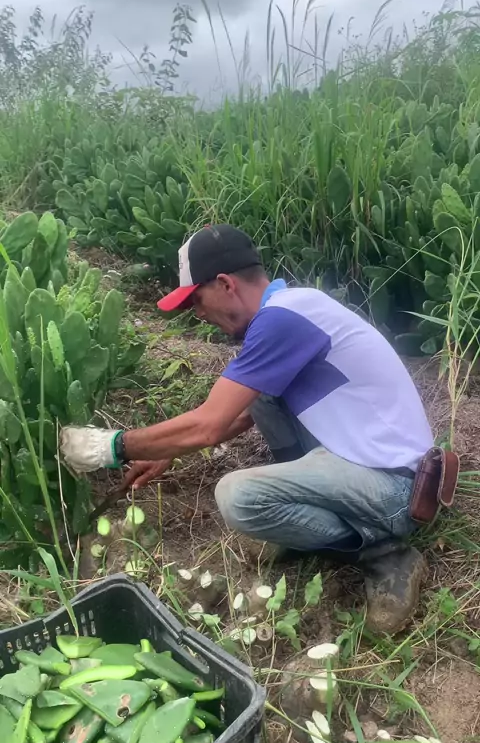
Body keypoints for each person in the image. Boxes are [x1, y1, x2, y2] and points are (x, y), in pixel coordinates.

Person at [61, 224, 434, 634]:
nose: (199, 314)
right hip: (372, 463)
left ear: (225, 284)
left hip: (396, 487)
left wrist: (112, 447)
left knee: (238, 498)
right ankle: (310, 522)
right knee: (260, 395)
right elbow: (236, 414)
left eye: (197, 300)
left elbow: (208, 424)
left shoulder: (284, 319)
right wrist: (164, 449)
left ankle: (385, 555)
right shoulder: (293, 308)